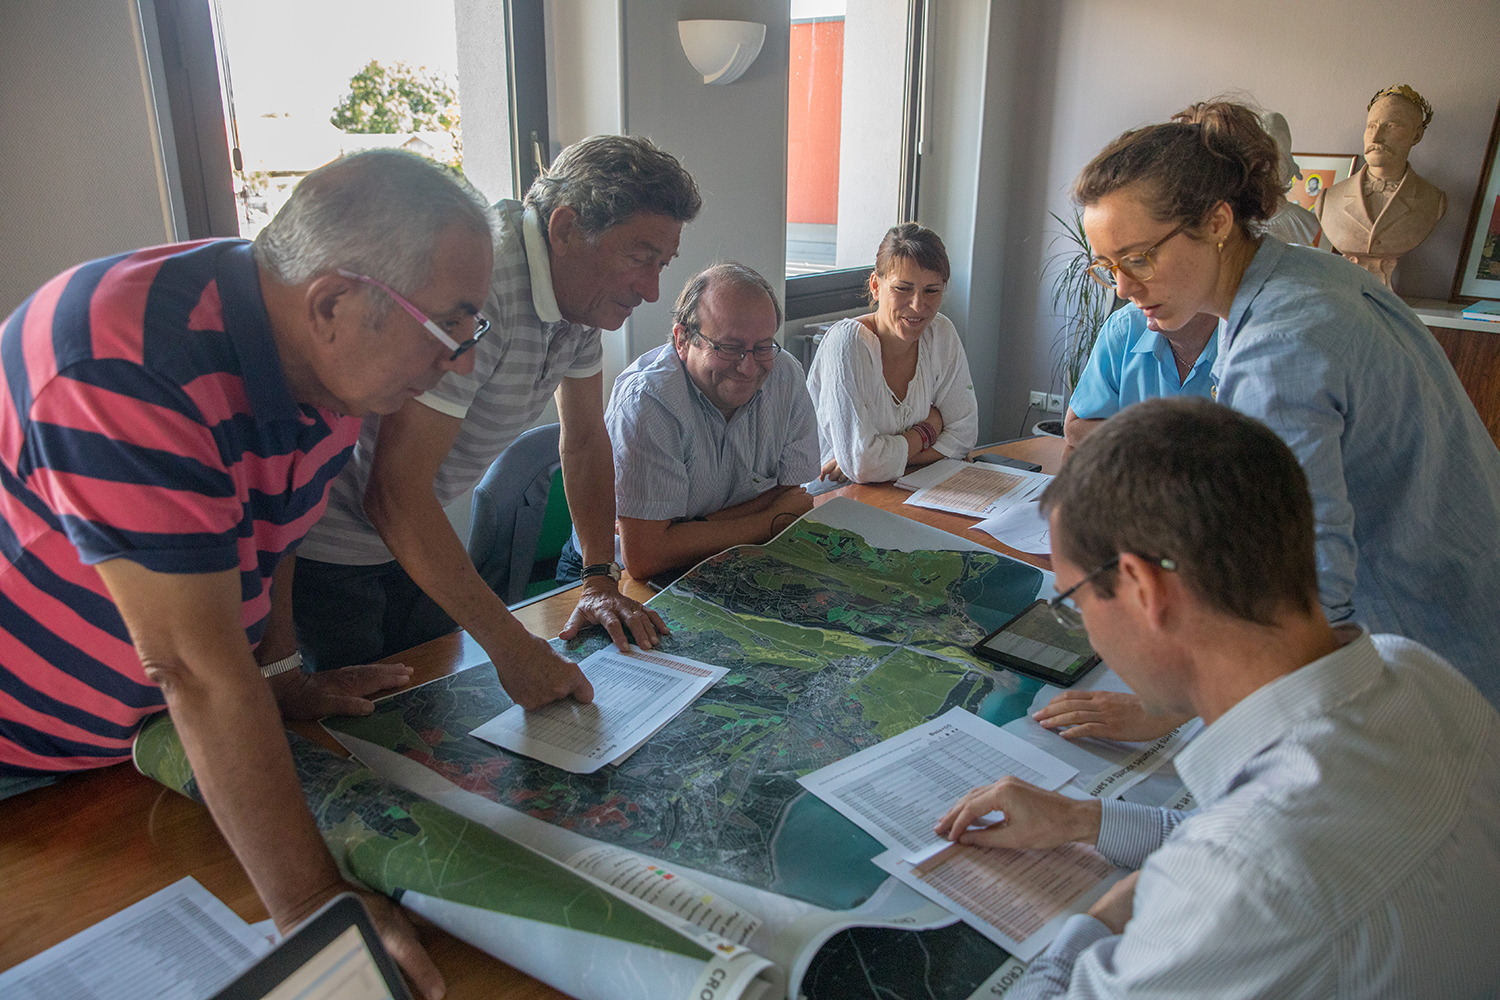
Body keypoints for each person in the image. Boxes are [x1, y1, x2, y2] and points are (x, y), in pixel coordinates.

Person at [0, 148, 492, 998]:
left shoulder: (321, 364)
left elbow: (274, 531)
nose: (461, 361)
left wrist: (276, 676)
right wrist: (312, 908)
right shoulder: (124, 362)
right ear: (336, 301)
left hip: (145, 745)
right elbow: (190, 665)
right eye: (450, 326)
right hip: (23, 759)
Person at [937, 398, 1500, 998]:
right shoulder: (1418, 671)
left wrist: (1097, 922)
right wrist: (1086, 820)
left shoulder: (1237, 885)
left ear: (1142, 588)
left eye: (1074, 601)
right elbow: (1265, 825)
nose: (1084, 625)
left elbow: (1254, 859)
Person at [1044, 101, 1500, 745]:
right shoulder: (1304, 275)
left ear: (1218, 221)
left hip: (1428, 655)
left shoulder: (1281, 349)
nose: (1121, 288)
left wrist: (1177, 706)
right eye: (1107, 266)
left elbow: (1302, 592)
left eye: (1139, 258)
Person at [293, 135, 701, 710]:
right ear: (564, 229)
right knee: (353, 739)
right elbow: (393, 495)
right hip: (331, 550)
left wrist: (599, 577)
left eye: (662, 264)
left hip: (412, 544)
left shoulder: (581, 298)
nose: (652, 288)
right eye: (639, 258)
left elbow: (583, 442)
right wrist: (513, 648)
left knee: (430, 708)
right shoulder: (480, 285)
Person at [602, 263, 820, 583]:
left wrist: (681, 533)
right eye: (729, 348)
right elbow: (644, 556)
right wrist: (770, 519)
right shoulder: (648, 402)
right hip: (613, 578)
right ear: (683, 340)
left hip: (735, 558)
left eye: (762, 347)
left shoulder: (784, 374)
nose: (748, 368)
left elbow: (793, 494)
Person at [806, 224, 978, 484]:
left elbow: (964, 435)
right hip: (836, 495)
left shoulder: (940, 331)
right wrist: (926, 432)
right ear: (876, 286)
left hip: (913, 485)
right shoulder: (847, 343)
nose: (918, 305)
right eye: (903, 288)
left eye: (932, 290)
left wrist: (883, 460)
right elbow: (863, 465)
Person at [1314, 84, 1447, 286]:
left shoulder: (1433, 201)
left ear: (1416, 135)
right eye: (1371, 126)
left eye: (1391, 126)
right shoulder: (1329, 199)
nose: (1375, 138)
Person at [1061, 305, 1217, 449]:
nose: (1123, 291)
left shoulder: (1238, 341)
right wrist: (1149, 440)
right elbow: (1075, 428)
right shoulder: (1124, 327)